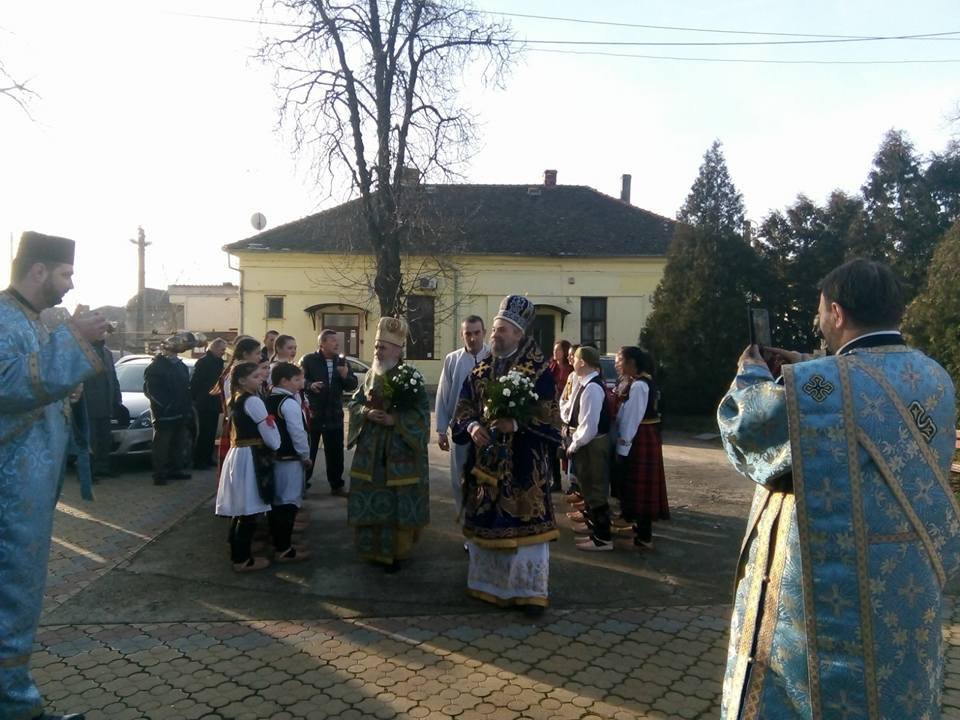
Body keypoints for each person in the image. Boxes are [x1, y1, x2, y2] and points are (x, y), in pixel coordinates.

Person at [716, 257, 960, 720]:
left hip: (831, 580)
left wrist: (750, 373)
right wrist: (806, 367)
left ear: (837, 313)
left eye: (820, 311)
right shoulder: (934, 378)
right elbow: (867, 388)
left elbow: (745, 427)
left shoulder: (821, 386)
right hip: (906, 579)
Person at [0, 230, 108, 720]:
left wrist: (68, 391)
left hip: (29, 490)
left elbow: (39, 383)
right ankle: (16, 709)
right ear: (38, 269)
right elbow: (10, 384)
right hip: (7, 491)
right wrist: (75, 340)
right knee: (10, 598)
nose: (69, 283)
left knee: (19, 599)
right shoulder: (3, 318)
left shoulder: (35, 321)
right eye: (64, 273)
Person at [452, 295, 561, 614]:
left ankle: (529, 594)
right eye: (495, 329)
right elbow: (464, 407)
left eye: (502, 330)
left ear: (518, 334)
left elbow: (551, 415)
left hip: (524, 467)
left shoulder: (538, 371)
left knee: (526, 535)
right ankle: (489, 587)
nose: (495, 335)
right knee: (488, 523)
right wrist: (471, 427)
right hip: (485, 465)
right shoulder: (480, 369)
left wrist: (516, 423)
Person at [347, 317, 430, 572]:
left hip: (399, 451)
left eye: (383, 347)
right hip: (371, 452)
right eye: (376, 346)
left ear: (398, 350)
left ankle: (397, 553)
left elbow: (423, 413)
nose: (377, 351)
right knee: (371, 497)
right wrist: (366, 413)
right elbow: (354, 403)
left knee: (396, 504)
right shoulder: (371, 374)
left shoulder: (410, 376)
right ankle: (372, 550)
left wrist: (395, 419)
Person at [215, 362, 281, 571]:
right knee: (248, 510)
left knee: (241, 509)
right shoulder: (253, 401)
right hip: (251, 457)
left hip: (239, 455)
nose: (260, 378)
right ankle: (242, 560)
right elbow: (270, 435)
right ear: (242, 380)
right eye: (255, 376)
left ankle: (238, 554)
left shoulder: (235, 398)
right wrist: (276, 444)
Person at [613, 346, 669, 550]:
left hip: (640, 437)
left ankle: (644, 536)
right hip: (646, 435)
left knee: (641, 488)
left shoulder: (639, 386)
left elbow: (631, 419)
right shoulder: (644, 381)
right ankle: (638, 528)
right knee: (640, 486)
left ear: (632, 363)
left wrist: (623, 447)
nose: (617, 364)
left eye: (620, 360)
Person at [435, 315, 491, 510]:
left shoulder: (494, 357)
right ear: (462, 335)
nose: (473, 338)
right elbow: (444, 394)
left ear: (484, 333)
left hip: (489, 431)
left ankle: (488, 523)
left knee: (489, 479)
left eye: (477, 333)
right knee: (460, 477)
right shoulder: (453, 360)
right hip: (460, 429)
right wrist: (441, 429)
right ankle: (466, 520)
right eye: (468, 333)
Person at [563, 346, 613, 551]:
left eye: (574, 358)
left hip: (591, 444)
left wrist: (574, 445)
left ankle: (602, 539)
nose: (572, 361)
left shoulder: (592, 388)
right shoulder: (584, 383)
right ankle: (596, 532)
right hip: (587, 443)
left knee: (596, 490)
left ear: (582, 362)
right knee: (588, 487)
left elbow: (589, 426)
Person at [301, 329, 358, 497]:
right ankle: (302, 484)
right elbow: (299, 379)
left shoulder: (342, 361)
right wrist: (310, 385)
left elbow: (352, 385)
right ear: (322, 343)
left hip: (334, 414)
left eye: (337, 340)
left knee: (335, 453)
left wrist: (345, 376)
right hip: (314, 414)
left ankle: (337, 485)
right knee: (308, 451)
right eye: (332, 340)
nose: (337, 343)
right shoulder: (308, 360)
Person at [266, 362, 312, 563]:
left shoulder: (269, 398)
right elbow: (297, 433)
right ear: (284, 381)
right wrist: (305, 455)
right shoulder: (288, 402)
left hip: (274, 459)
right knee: (288, 503)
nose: (301, 383)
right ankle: (284, 549)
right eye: (296, 379)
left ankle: (281, 544)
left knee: (278, 502)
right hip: (288, 459)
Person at [143, 333, 195, 485]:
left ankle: (175, 470)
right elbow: (152, 391)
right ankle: (159, 474)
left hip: (180, 412)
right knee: (162, 444)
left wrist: (187, 406)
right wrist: (166, 406)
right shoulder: (155, 367)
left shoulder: (180, 366)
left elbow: (186, 388)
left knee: (178, 442)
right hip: (164, 414)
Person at [212, 337, 262, 473]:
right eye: (257, 353)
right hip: (239, 425)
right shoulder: (235, 373)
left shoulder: (247, 371)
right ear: (246, 354)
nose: (260, 356)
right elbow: (232, 401)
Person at [84, 336, 120, 479]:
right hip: (90, 405)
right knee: (91, 441)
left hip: (106, 404)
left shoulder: (107, 352)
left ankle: (103, 468)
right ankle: (89, 472)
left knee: (105, 439)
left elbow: (113, 378)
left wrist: (117, 400)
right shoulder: (84, 351)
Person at [190, 338, 227, 469]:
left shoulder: (218, 362)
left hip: (214, 402)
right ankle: (199, 460)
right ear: (215, 348)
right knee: (204, 432)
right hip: (204, 402)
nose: (223, 352)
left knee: (211, 432)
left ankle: (207, 457)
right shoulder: (204, 362)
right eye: (222, 349)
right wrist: (196, 399)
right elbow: (195, 382)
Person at [547, 340, 573, 492]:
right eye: (554, 350)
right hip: (552, 412)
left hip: (566, 413)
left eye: (558, 350)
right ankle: (555, 480)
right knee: (553, 448)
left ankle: (573, 483)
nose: (555, 353)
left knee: (568, 448)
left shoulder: (570, 370)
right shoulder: (552, 367)